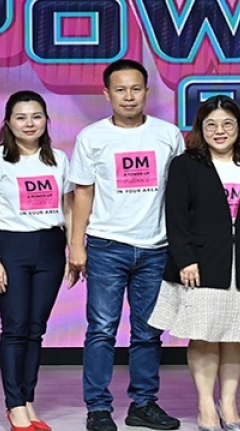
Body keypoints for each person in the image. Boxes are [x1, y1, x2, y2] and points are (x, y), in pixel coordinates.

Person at [149, 96, 240, 431]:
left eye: (227, 124)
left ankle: (229, 403)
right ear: (200, 128)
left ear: (239, 127)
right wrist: (185, 259)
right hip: (201, 264)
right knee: (204, 335)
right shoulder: (185, 165)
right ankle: (206, 405)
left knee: (236, 334)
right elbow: (176, 217)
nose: (219, 131)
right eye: (211, 125)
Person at [67, 59, 184, 431]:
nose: (128, 96)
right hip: (106, 246)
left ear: (147, 92)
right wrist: (76, 245)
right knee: (102, 329)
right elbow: (82, 194)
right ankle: (98, 408)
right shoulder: (92, 137)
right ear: (107, 94)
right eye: (120, 89)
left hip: (156, 248)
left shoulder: (168, 135)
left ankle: (143, 404)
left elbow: (180, 193)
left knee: (148, 332)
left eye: (135, 89)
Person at [0, 90, 75, 431]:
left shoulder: (59, 159)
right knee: (15, 328)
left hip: (51, 247)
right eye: (21, 117)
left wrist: (74, 250)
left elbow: (69, 208)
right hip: (12, 247)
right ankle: (14, 404)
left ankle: (28, 400)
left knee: (36, 329)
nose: (29, 123)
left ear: (46, 120)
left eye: (36, 116)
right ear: (8, 123)